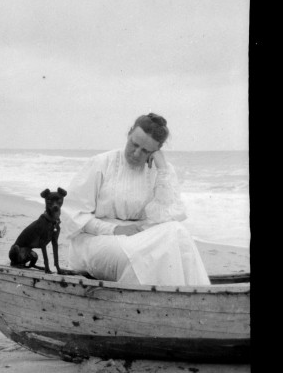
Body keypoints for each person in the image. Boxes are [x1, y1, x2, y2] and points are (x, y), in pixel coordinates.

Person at [62, 113, 210, 286]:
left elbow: (164, 219)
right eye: (134, 144)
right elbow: (74, 215)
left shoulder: (162, 172)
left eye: (146, 151)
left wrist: (162, 169)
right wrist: (114, 229)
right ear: (129, 133)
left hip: (138, 238)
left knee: (178, 231)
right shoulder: (101, 163)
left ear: (156, 151)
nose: (136, 153)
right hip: (94, 240)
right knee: (145, 255)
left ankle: (192, 299)